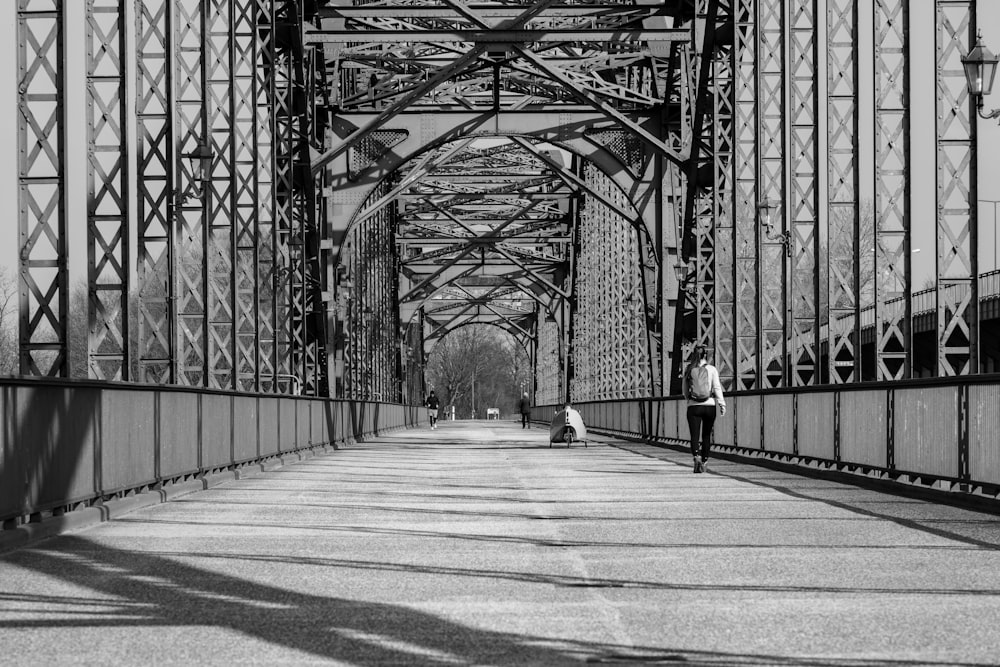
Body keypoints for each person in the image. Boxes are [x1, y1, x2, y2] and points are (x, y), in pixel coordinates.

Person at [682, 344, 726, 473]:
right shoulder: (712, 369)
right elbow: (717, 387)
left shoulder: (689, 369)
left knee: (694, 436)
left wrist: (689, 399)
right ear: (705, 355)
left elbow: (684, 390)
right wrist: (722, 404)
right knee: (706, 435)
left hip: (693, 406)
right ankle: (705, 462)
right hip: (710, 405)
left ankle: (696, 457)